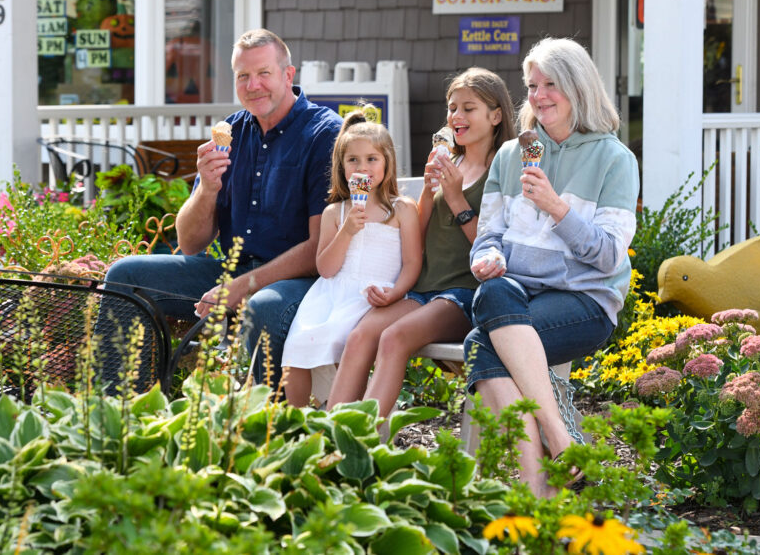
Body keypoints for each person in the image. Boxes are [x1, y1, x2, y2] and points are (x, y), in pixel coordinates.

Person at [102, 29, 342, 390]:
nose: (253, 85)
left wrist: (240, 287)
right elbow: (190, 243)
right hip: (233, 271)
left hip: (303, 282)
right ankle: (118, 406)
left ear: (288, 75)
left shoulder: (325, 134)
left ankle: (267, 418)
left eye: (263, 73)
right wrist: (208, 189)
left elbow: (319, 247)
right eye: (243, 76)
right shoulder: (230, 133)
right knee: (126, 276)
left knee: (262, 307)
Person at [466, 37, 639, 497]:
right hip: (517, 296)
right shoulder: (510, 155)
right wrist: (487, 259)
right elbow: (488, 235)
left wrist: (557, 208)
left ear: (578, 87)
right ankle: (561, 447)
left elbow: (608, 256)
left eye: (550, 85)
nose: (538, 96)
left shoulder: (614, 160)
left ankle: (537, 481)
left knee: (480, 346)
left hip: (583, 301)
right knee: (491, 292)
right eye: (532, 86)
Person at [326, 68, 515, 414]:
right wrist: (429, 191)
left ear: (496, 116)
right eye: (452, 108)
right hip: (423, 289)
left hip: (464, 293)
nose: (456, 116)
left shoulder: (502, 171)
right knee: (360, 336)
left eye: (468, 108)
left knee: (394, 338)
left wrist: (456, 198)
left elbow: (492, 249)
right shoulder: (450, 160)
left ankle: (364, 437)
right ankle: (331, 435)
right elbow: (420, 232)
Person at [281, 109, 421, 407]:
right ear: (341, 166)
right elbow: (326, 269)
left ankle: (345, 411)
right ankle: (298, 419)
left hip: (374, 296)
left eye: (372, 159)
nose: (362, 167)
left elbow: (412, 263)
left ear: (387, 162)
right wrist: (346, 231)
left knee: (342, 341)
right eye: (353, 160)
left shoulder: (402, 209)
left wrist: (396, 293)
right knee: (296, 347)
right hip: (332, 296)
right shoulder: (335, 212)